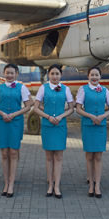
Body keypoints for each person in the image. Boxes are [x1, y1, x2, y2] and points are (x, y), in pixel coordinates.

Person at [0, 64, 33, 197]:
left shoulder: (22, 87)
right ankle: (6, 182)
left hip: (15, 122)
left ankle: (11, 183)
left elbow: (28, 105)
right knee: (4, 153)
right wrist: (2, 113)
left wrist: (14, 114)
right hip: (2, 121)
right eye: (7, 72)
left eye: (12, 73)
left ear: (16, 74)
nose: (9, 75)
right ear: (4, 73)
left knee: (13, 152)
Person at [33, 64, 75, 198]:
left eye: (57, 74)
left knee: (59, 157)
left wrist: (61, 116)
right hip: (47, 125)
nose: (55, 76)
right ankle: (50, 185)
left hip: (60, 126)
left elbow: (71, 108)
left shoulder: (66, 89)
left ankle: (57, 186)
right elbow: (36, 108)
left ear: (61, 75)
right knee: (49, 157)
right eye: (52, 74)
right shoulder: (43, 88)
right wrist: (48, 116)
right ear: (48, 75)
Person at [75, 66, 109, 198]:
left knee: (98, 156)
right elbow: (78, 108)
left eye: (97, 75)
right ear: (88, 76)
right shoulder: (83, 89)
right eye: (92, 75)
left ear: (100, 77)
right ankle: (91, 184)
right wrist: (91, 116)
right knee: (89, 156)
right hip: (88, 125)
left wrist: (103, 116)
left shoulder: (104, 90)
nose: (94, 77)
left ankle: (97, 185)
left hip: (100, 126)